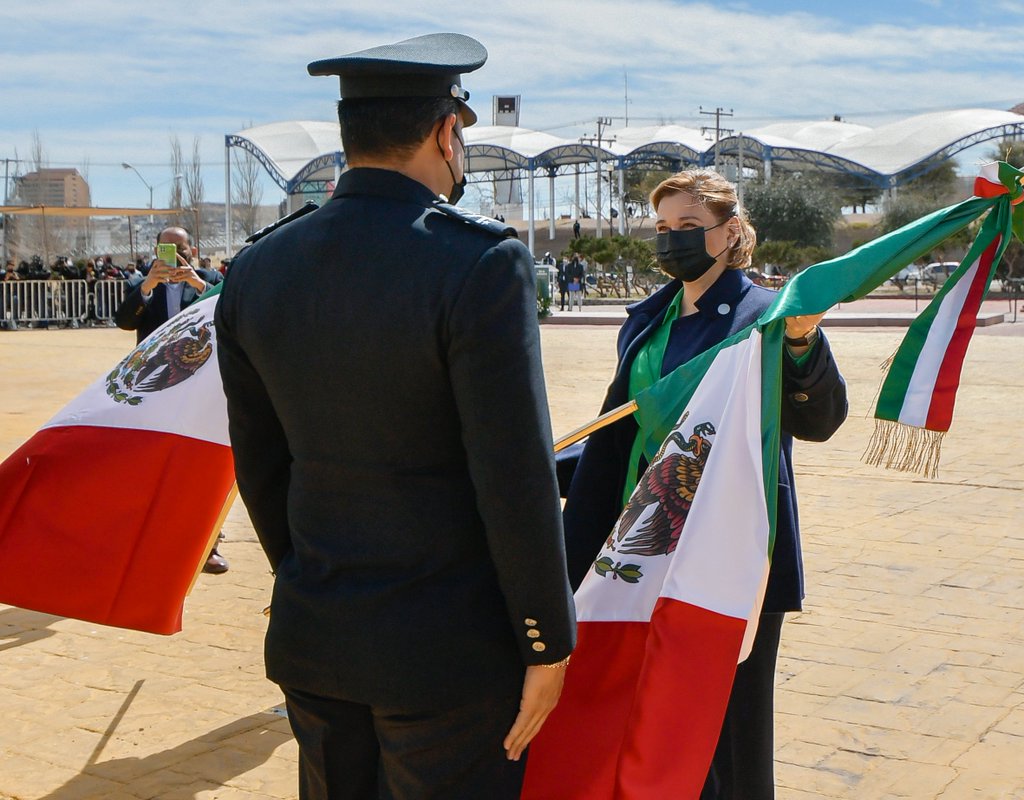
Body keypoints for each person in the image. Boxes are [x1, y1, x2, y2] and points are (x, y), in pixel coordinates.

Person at [215, 33, 575, 800]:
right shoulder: (478, 260)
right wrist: (548, 640)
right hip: (448, 652)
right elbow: (512, 476)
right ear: (447, 133)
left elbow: (262, 464)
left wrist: (311, 581)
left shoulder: (255, 268)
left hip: (317, 634)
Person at [556, 168, 848, 799]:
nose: (671, 241)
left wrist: (803, 342)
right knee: (649, 715)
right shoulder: (647, 320)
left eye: (689, 227)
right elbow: (631, 438)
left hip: (726, 554)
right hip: (642, 544)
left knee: (730, 734)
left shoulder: (765, 317)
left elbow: (819, 419)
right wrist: (540, 473)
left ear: (730, 231)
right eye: (662, 228)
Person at [114, 226, 227, 573]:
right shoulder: (143, 283)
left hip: (201, 386)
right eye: (166, 248)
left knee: (200, 466)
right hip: (155, 386)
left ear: (192, 248)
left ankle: (208, 545)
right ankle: (149, 541)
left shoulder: (211, 280)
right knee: (152, 462)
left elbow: (231, 315)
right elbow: (122, 321)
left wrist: (200, 286)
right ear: (156, 250)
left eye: (180, 247)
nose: (174, 255)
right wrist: (148, 286)